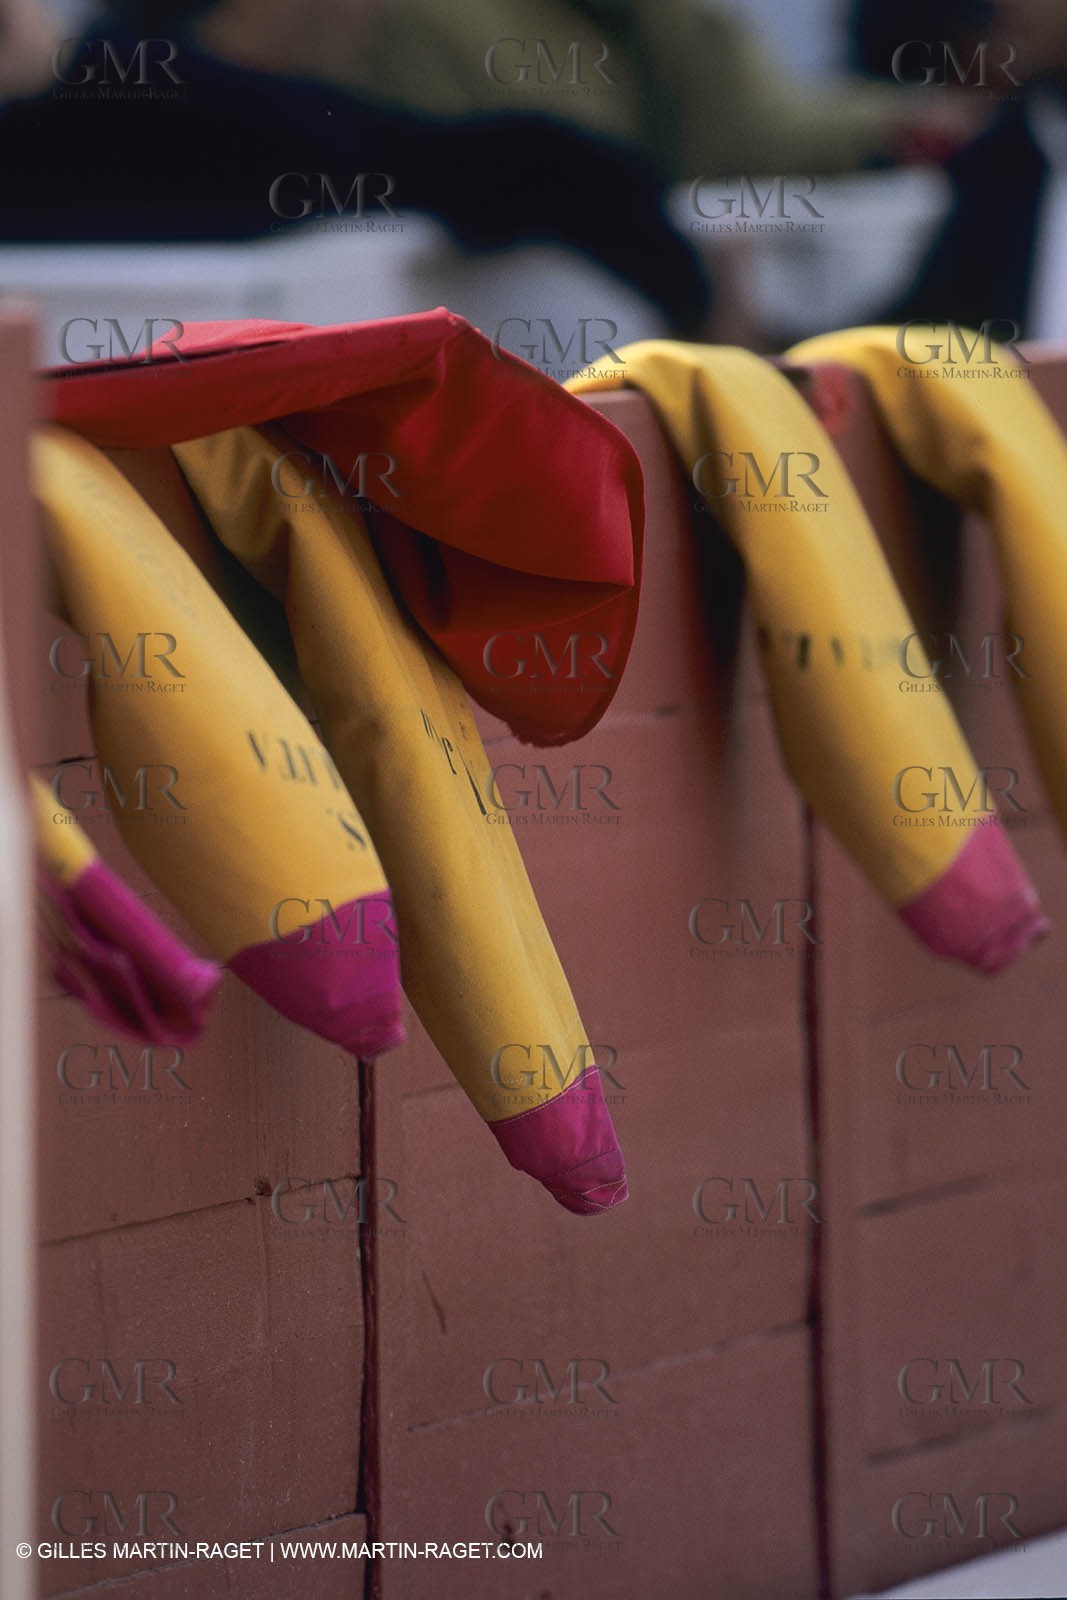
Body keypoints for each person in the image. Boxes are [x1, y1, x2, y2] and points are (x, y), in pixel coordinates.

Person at [0, 0, 710, 333]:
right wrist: (706, 309)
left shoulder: (119, 100)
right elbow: (533, 165)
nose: (365, 13)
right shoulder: (191, 123)